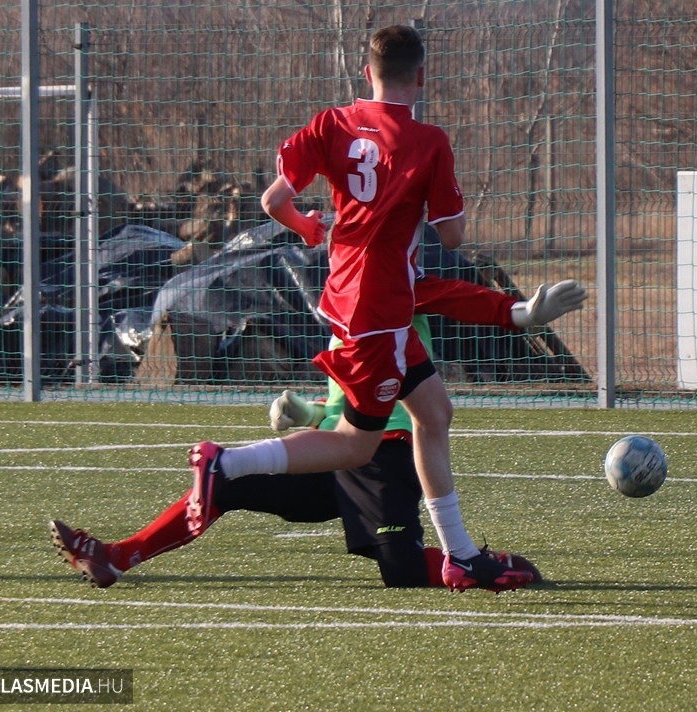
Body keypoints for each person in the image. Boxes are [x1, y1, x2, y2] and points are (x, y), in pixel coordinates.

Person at [183, 24, 574, 592]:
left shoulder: (331, 123)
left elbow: (273, 201)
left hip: (351, 296)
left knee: (434, 413)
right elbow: (453, 237)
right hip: (380, 310)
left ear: (367, 73)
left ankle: (460, 555)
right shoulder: (427, 141)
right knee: (355, 442)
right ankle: (227, 464)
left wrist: (308, 227)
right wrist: (437, 199)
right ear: (422, 76)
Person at [48, 279, 586, 589]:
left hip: (384, 454)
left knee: (401, 572)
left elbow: (449, 295)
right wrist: (308, 413)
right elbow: (348, 403)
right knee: (223, 488)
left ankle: (483, 563)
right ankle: (118, 556)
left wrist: (519, 312)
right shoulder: (339, 298)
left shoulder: (388, 281)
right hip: (333, 454)